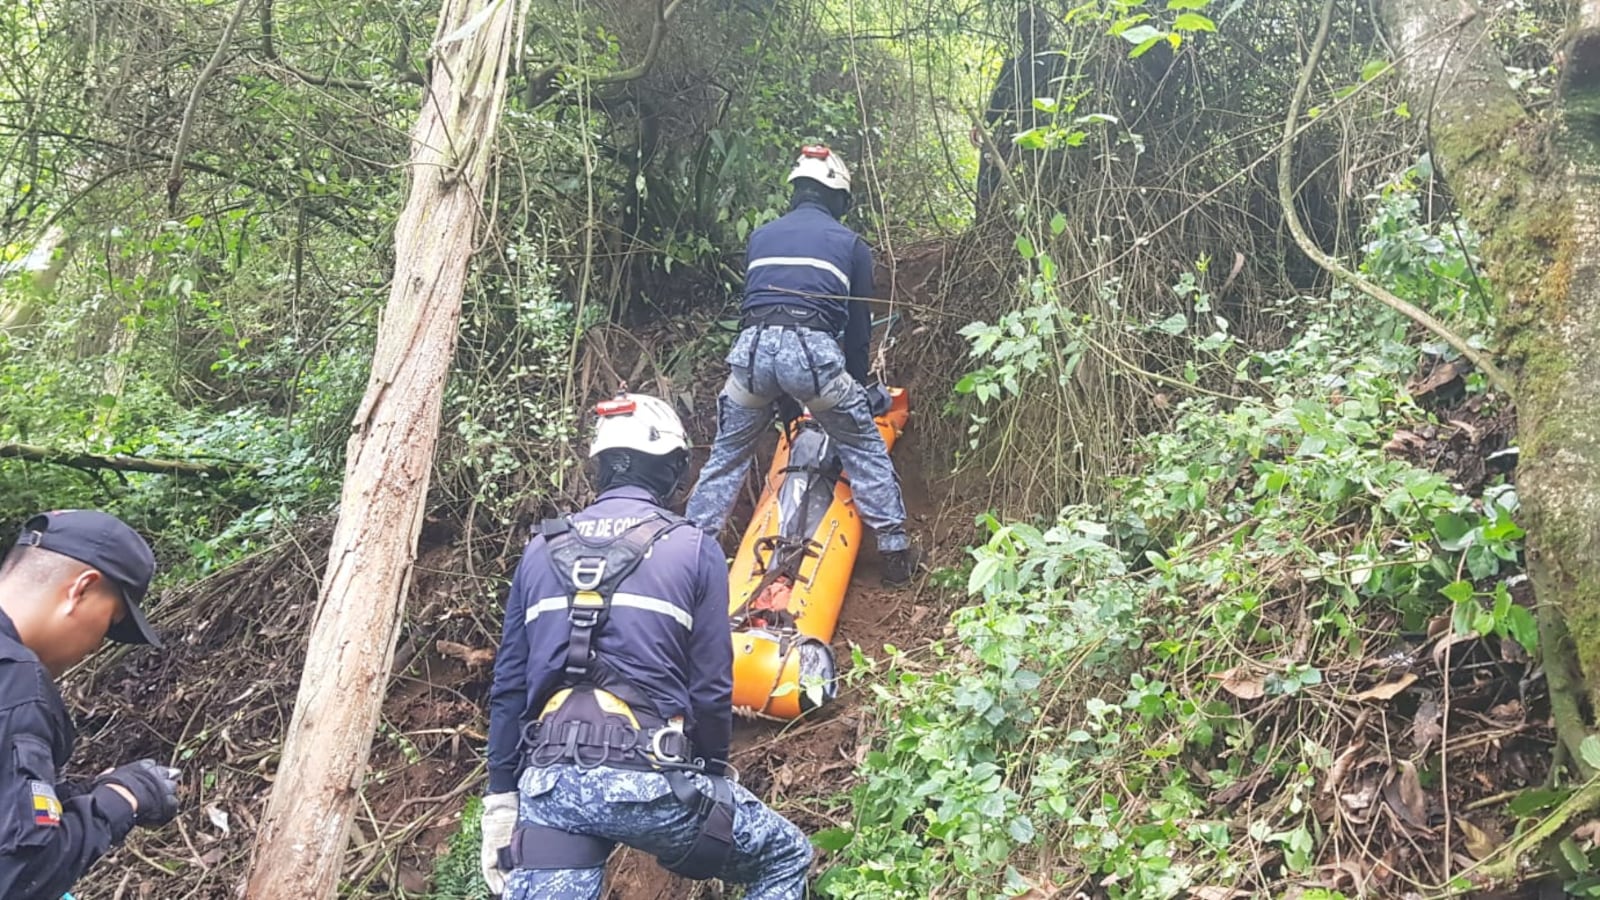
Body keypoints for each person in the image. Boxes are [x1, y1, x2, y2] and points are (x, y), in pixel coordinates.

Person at [479, 393, 812, 899]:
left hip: (551, 789)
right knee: (784, 857)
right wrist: (711, 774)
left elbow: (508, 687)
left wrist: (501, 799)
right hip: (651, 781)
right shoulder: (691, 547)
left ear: (602, 465)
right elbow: (711, 686)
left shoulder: (539, 550)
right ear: (669, 468)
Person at [684, 145, 920, 587]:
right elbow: (857, 331)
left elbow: (758, 310)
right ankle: (894, 552)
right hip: (812, 356)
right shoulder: (850, 245)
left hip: (751, 356)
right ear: (838, 197)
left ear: (796, 191)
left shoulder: (761, 237)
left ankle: (688, 559)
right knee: (863, 446)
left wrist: (780, 396)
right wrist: (856, 388)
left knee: (726, 459)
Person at [0, 509, 181, 900]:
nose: (98, 645)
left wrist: (77, 795)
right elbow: (17, 877)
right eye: (110, 622)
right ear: (81, 589)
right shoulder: (16, 682)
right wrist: (122, 800)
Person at [972, 5, 1065, 211]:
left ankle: (986, 217)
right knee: (990, 162)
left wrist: (983, 124)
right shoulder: (1053, 61)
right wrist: (981, 125)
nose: (1033, 34)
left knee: (991, 172)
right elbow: (996, 105)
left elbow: (995, 107)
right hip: (1030, 131)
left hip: (1037, 131)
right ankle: (987, 218)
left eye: (1035, 29)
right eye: (1030, 29)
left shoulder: (1058, 60)